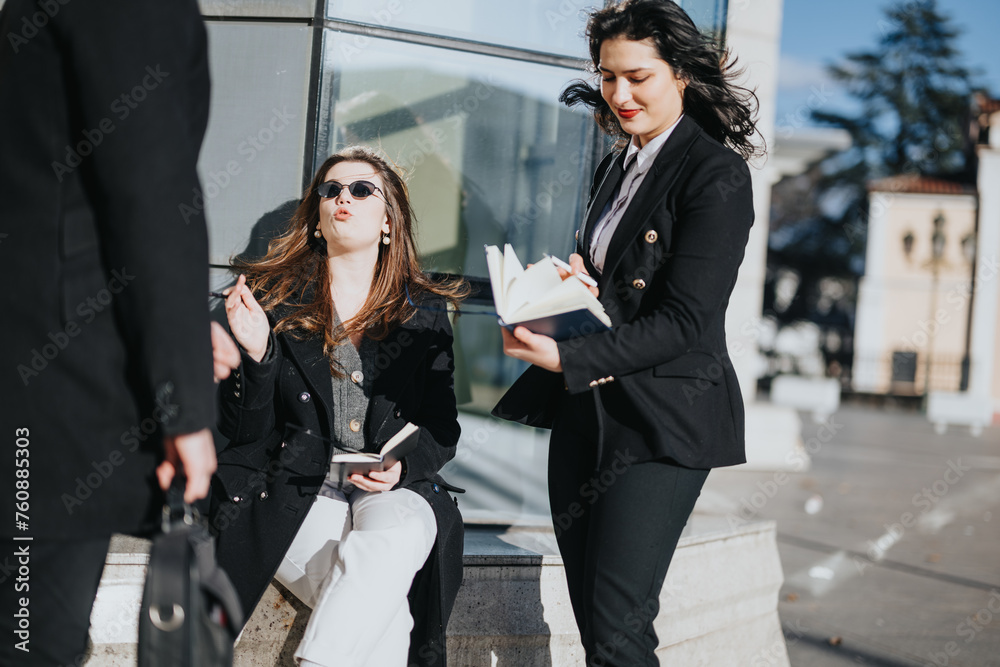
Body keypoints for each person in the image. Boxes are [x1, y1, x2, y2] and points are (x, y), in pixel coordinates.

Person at [493, 1, 763, 665]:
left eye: (638, 77)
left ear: (683, 75)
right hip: (588, 413)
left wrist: (565, 350)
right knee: (596, 623)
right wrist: (572, 288)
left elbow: (684, 321)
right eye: (609, 77)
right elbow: (621, 285)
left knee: (619, 629)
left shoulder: (716, 175)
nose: (620, 94)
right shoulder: (619, 164)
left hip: (662, 420)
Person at [0, 1, 232, 665]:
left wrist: (182, 335)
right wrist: (184, 406)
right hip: (56, 403)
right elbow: (151, 198)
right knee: (32, 639)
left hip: (37, 384)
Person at [211, 146, 467, 667]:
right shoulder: (270, 298)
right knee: (386, 610)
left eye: (360, 190)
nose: (341, 199)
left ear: (389, 221)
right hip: (291, 487)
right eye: (330, 191)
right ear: (317, 219)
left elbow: (443, 427)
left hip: (387, 486)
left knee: (402, 530)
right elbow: (242, 433)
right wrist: (258, 356)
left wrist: (402, 467)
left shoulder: (423, 311)